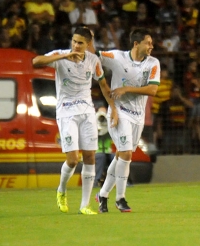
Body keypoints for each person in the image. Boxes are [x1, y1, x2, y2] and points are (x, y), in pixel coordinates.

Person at [32, 27, 116, 215]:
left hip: (87, 112)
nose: (76, 45)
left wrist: (113, 108)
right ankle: (61, 189)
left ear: (88, 45)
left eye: (80, 43)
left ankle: (84, 205)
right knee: (72, 159)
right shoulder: (61, 55)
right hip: (66, 112)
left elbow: (103, 84)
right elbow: (36, 62)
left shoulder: (93, 61)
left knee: (90, 157)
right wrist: (62, 57)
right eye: (74, 41)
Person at [92, 28, 160, 213]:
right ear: (136, 44)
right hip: (119, 112)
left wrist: (127, 88)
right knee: (126, 155)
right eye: (148, 42)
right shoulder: (117, 57)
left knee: (122, 156)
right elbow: (94, 54)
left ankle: (103, 194)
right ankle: (120, 198)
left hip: (138, 117)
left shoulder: (153, 63)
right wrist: (84, 42)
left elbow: (153, 90)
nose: (151, 46)